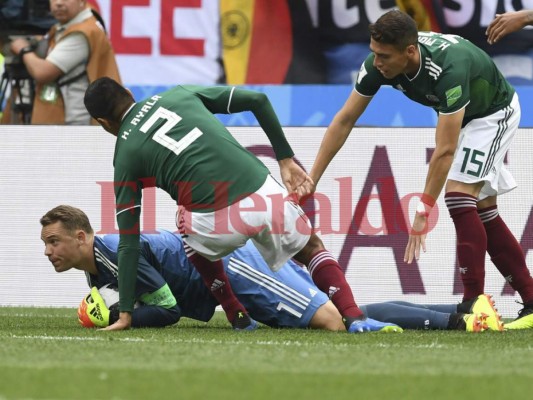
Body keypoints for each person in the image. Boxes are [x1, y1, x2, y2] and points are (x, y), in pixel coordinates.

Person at [82, 77, 399, 333]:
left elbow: (129, 241)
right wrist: (285, 158)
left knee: (186, 228)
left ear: (102, 122)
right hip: (261, 191)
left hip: (212, 222)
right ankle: (356, 317)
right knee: (313, 247)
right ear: (128, 92)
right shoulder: (178, 94)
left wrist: (125, 313)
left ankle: (237, 315)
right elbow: (258, 100)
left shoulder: (123, 156)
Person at [308, 10, 533, 330]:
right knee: (482, 211)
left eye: (384, 56)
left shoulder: (448, 68)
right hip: (468, 116)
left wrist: (423, 209)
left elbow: (444, 150)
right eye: (374, 53)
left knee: (457, 195)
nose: (377, 62)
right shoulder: (377, 66)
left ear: (410, 52)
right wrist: (312, 178)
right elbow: (344, 120)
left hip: (493, 113)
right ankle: (530, 298)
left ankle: (474, 303)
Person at [40, 204, 499, 332]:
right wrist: (115, 306)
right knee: (341, 311)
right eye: (45, 244)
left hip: (237, 267)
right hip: (228, 273)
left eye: (54, 241)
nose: (49, 251)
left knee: (334, 322)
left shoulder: (116, 251)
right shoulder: (98, 261)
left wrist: (121, 319)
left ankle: (462, 321)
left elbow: (165, 307)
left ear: (82, 236)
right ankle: (458, 310)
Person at [7, 0, 121, 124]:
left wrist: (23, 50)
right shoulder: (69, 25)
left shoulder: (82, 32)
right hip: (68, 119)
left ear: (82, 1)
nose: (59, 3)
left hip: (75, 124)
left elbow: (42, 73)